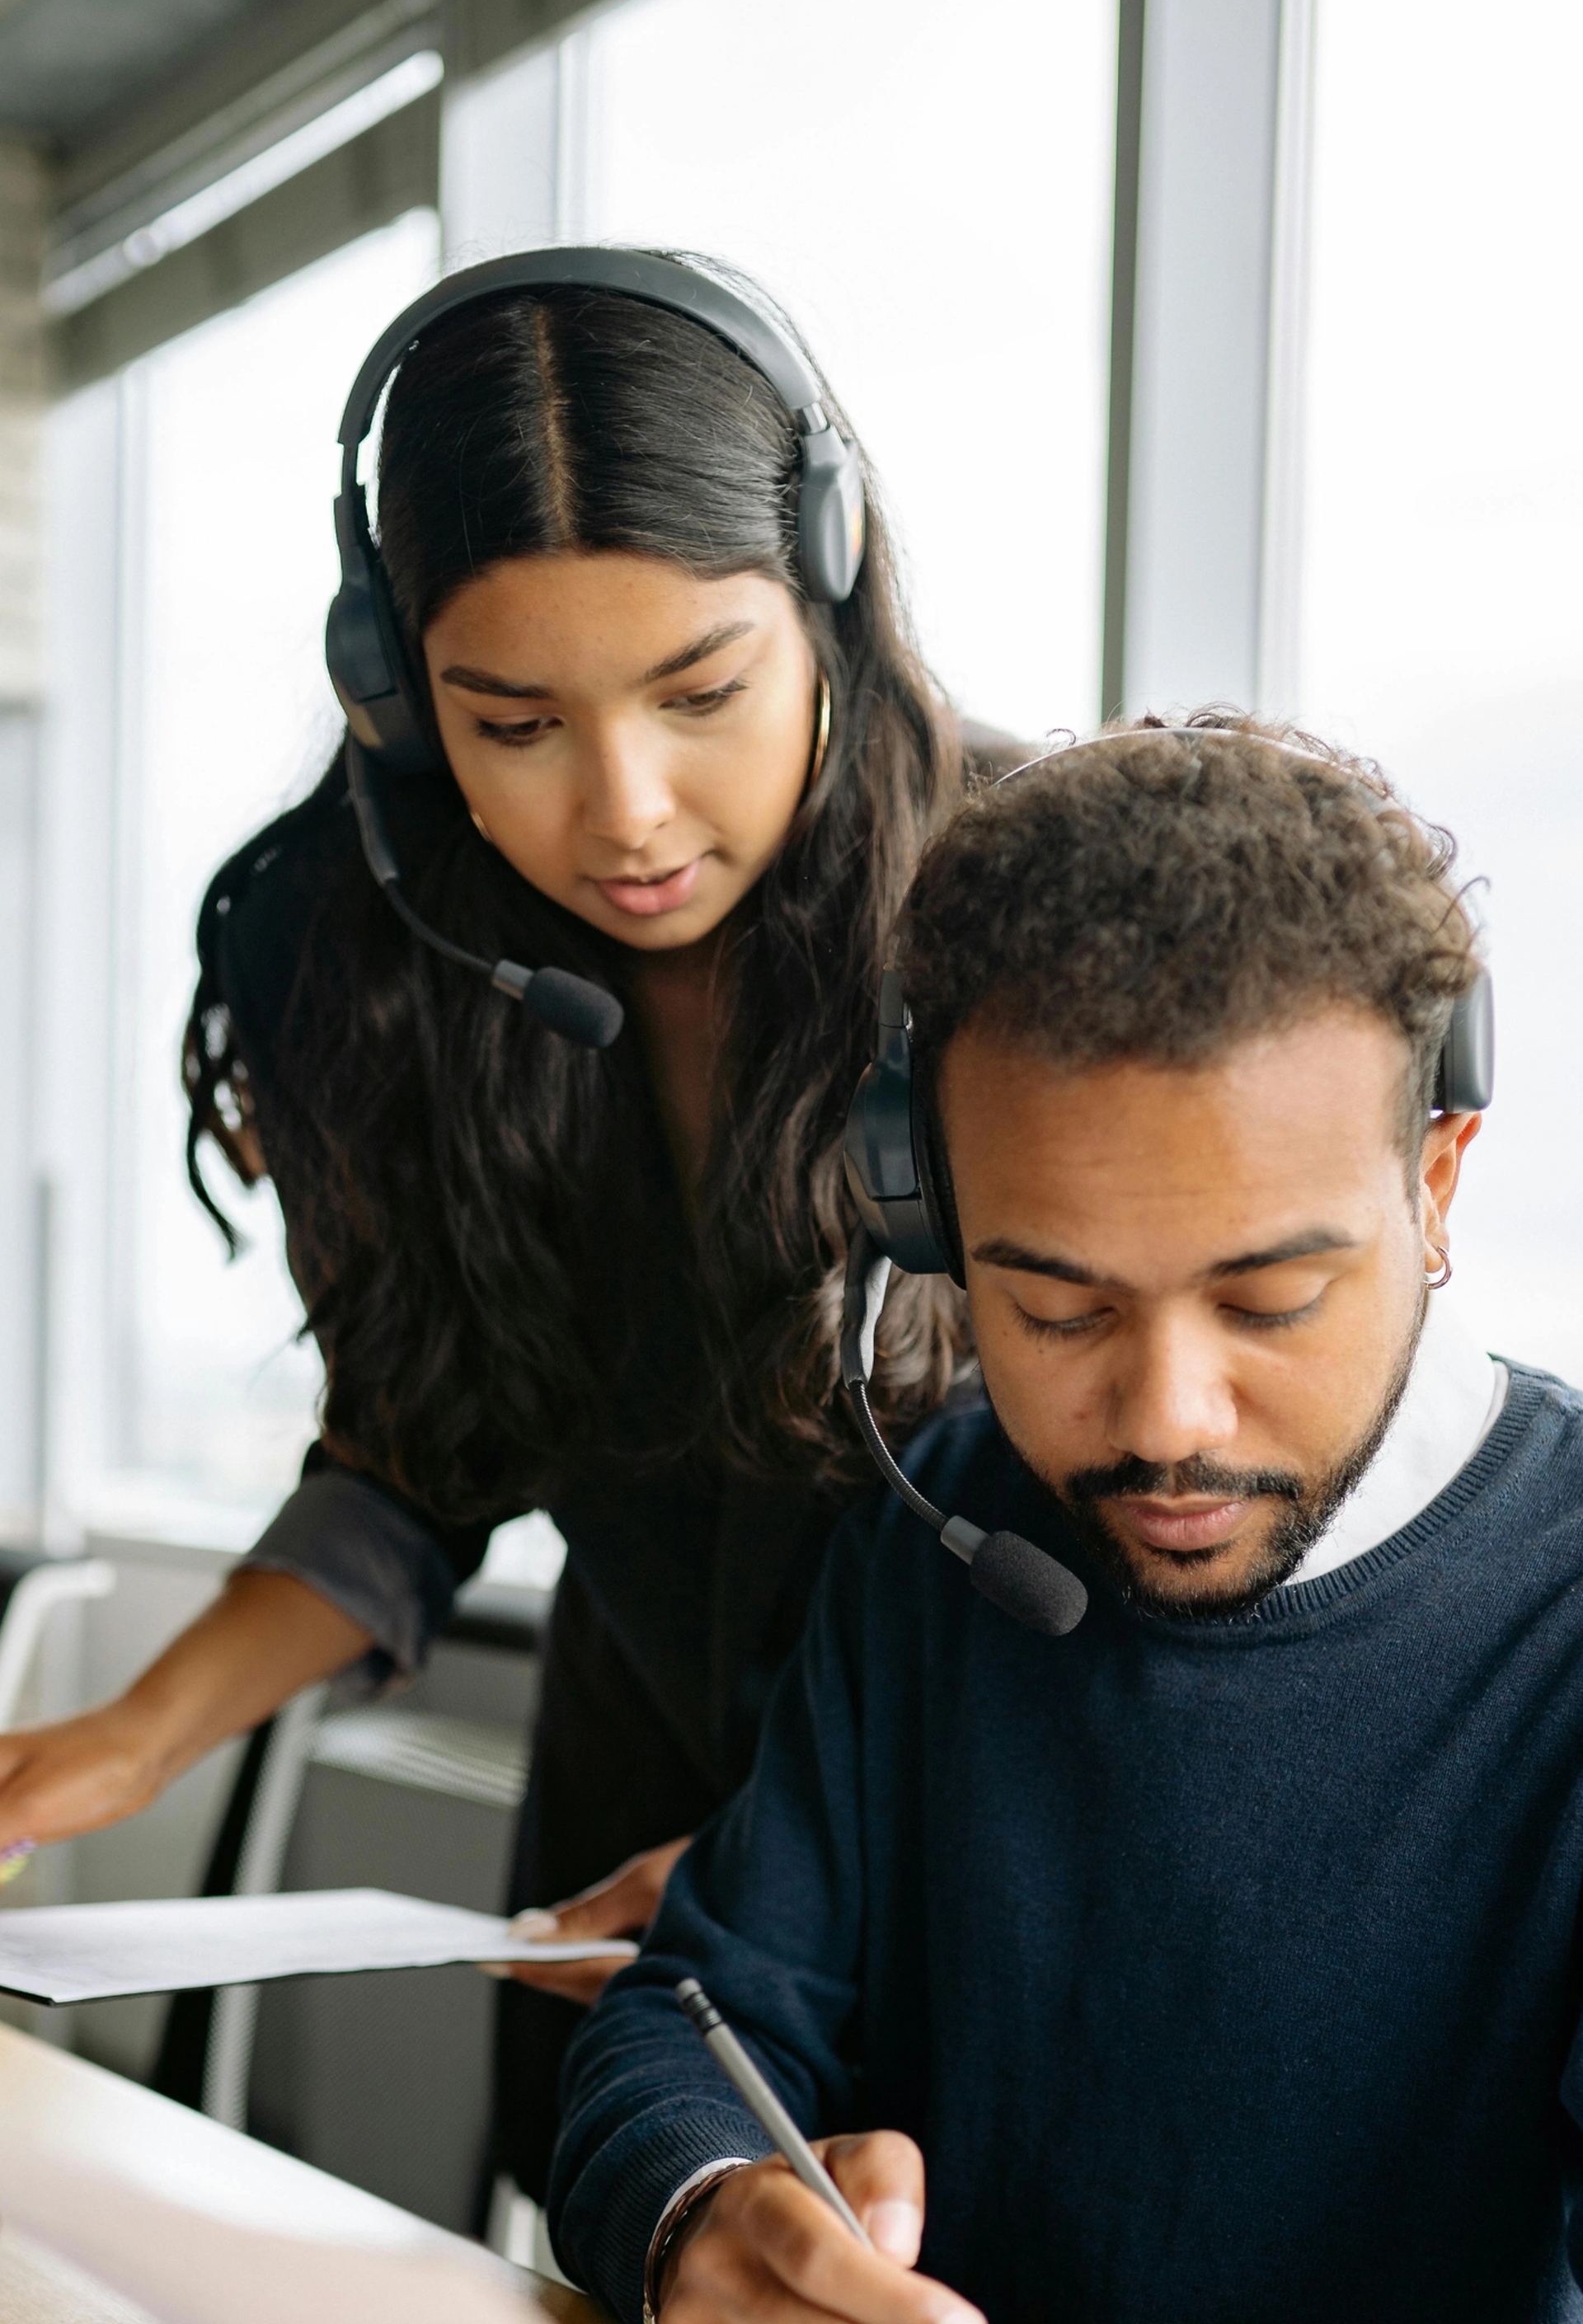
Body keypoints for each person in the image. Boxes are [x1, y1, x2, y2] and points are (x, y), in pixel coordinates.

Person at [0, 253, 1005, 2194]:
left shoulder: (1028, 919)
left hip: (993, 1854)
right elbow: (418, 1449)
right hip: (616, 1857)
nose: (624, 809)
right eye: (511, 721)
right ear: (395, 690)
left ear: (832, 590)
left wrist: (809, 1863)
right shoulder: (383, 969)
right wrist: (130, 1735)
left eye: (703, 690)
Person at [547, 716, 1583, 2324]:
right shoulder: (942, 1523)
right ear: (935, 1215)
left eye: (1270, 1302)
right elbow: (691, 2015)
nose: (1167, 1419)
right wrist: (706, 2218)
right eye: (1059, 1311)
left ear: (1435, 1188)